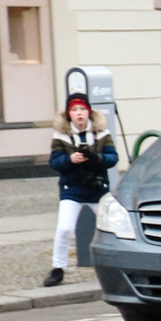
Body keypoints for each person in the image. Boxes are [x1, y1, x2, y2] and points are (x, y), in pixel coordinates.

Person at [43, 95, 117, 287]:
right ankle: (58, 269)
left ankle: (120, 267)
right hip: (72, 188)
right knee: (64, 228)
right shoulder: (61, 135)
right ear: (69, 114)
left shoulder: (101, 132)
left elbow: (113, 158)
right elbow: (54, 162)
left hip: (97, 188)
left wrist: (97, 158)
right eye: (74, 110)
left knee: (115, 228)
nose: (79, 114)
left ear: (89, 112)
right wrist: (69, 160)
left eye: (82, 109)